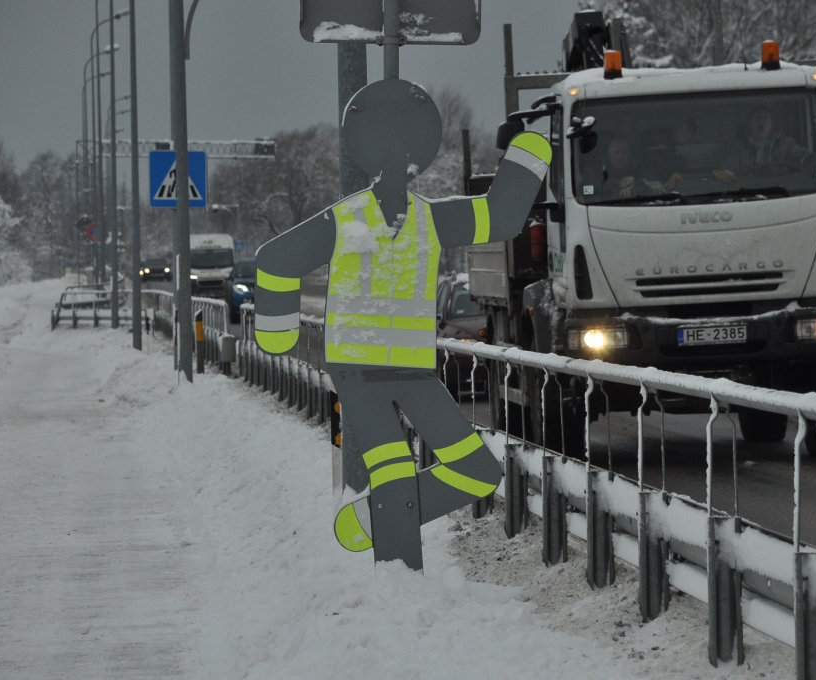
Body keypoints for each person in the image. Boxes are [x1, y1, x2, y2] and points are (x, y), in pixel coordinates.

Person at [251, 79, 551, 571]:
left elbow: (500, 217)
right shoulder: (347, 219)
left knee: (478, 471)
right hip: (356, 368)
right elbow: (277, 259)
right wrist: (276, 334)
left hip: (414, 369)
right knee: (391, 470)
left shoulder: (427, 220)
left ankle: (373, 521)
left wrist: (532, 153)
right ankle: (399, 577)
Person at [715, 106, 815, 183]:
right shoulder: (736, 146)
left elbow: (805, 157)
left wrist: (813, 165)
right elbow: (728, 169)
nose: (761, 122)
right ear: (749, 123)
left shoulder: (785, 144)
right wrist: (728, 176)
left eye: (765, 118)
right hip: (745, 191)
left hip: (781, 190)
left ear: (771, 124)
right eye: (757, 118)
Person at [596, 138, 681, 199]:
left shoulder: (641, 169)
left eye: (624, 152)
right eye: (616, 153)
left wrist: (649, 184)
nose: (620, 156)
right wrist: (619, 184)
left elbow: (652, 179)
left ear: (630, 155)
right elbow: (594, 189)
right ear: (608, 156)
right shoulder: (600, 174)